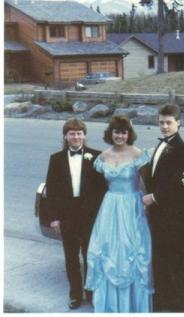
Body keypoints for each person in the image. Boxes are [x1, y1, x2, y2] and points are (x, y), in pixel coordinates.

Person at [85, 115, 153, 312]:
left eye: (123, 132)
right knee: (106, 249)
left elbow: (146, 183)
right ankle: (109, 307)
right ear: (111, 133)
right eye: (116, 132)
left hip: (132, 206)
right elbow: (103, 184)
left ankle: (132, 306)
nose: (120, 136)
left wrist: (146, 207)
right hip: (110, 206)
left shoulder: (138, 154)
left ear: (128, 134)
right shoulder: (103, 156)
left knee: (130, 249)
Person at [45, 118, 106, 309]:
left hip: (89, 215)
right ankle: (75, 294)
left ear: (84, 135)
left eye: (79, 133)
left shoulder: (96, 156)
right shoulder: (56, 159)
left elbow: (103, 189)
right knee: (71, 257)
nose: (76, 137)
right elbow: (51, 191)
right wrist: (54, 219)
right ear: (65, 136)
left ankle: (91, 292)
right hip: (67, 215)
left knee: (90, 256)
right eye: (72, 133)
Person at [141, 104, 184, 311]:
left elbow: (177, 182)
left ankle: (173, 304)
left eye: (168, 122)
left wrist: (154, 197)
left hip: (171, 213)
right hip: (158, 212)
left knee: (171, 258)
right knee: (159, 256)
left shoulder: (181, 149)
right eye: (161, 122)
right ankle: (161, 300)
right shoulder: (162, 144)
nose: (164, 126)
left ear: (178, 123)